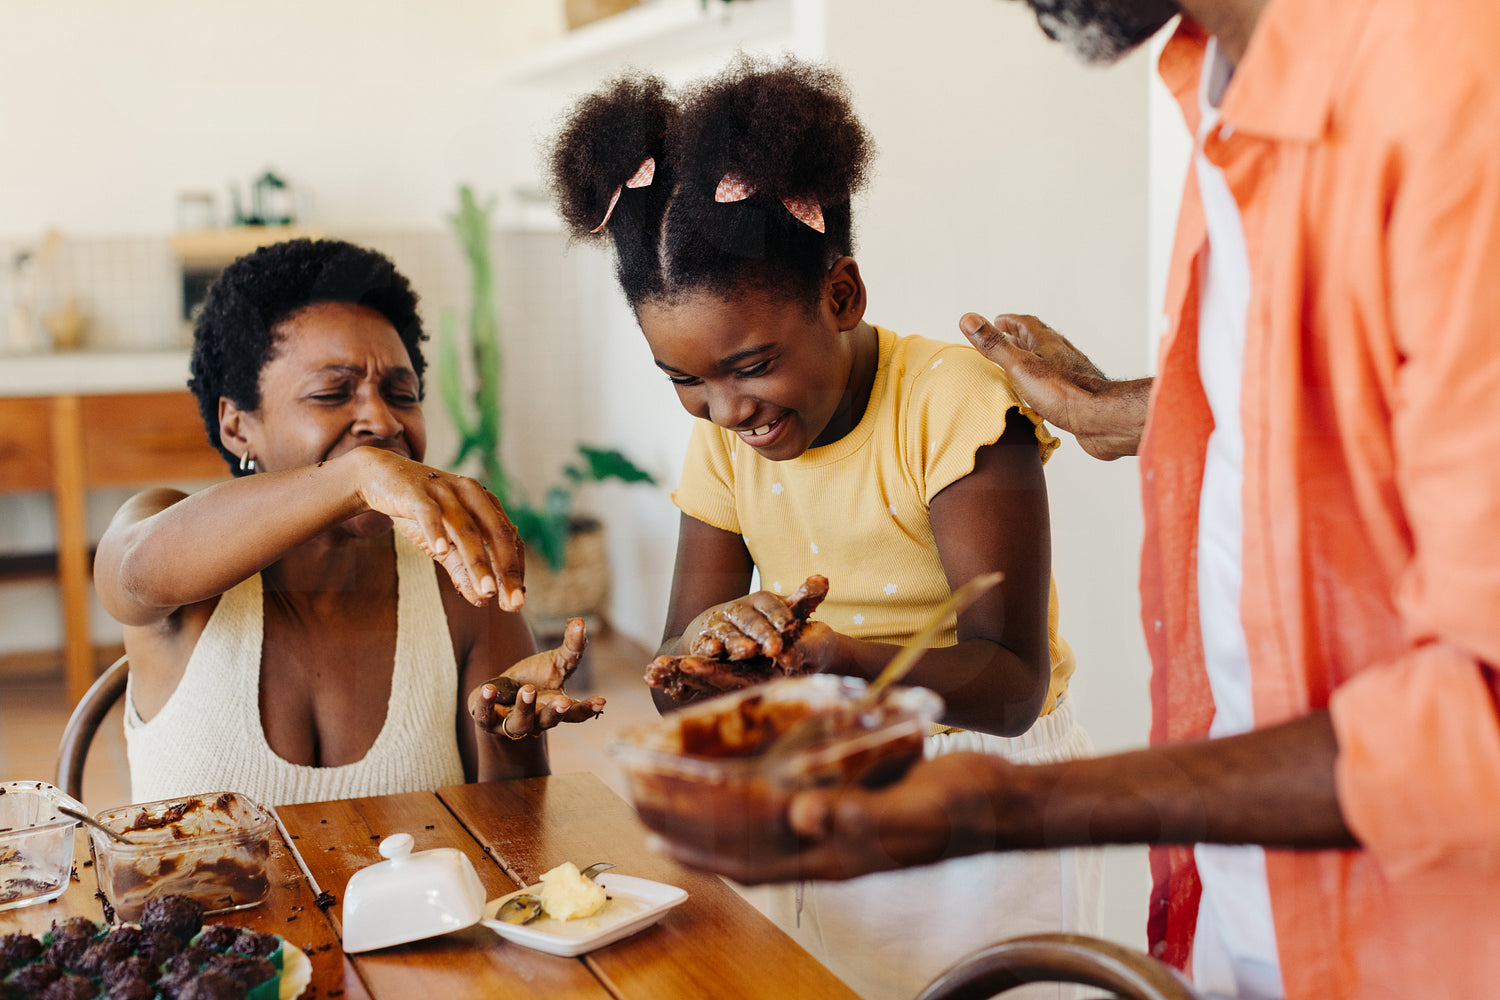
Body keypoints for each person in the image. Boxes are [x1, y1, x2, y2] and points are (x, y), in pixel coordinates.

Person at [642, 0, 1500, 998]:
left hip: (1416, 925)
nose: (727, 409)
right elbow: (1347, 406)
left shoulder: (1449, 90)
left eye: (749, 366)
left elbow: (1474, 719)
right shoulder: (1224, 87)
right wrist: (1129, 409)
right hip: (1252, 892)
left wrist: (1008, 807)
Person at [546, 56, 1100, 1000]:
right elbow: (679, 680)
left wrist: (835, 659)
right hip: (815, 791)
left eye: (750, 365)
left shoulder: (951, 405)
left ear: (840, 296)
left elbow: (1011, 687)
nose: (727, 410)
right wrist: (713, 651)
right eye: (685, 379)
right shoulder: (727, 441)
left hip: (982, 807)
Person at [94, 238, 606, 809]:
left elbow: (513, 836)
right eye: (332, 393)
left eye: (402, 394)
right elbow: (131, 572)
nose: (382, 421)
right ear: (237, 427)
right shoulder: (172, 554)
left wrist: (510, 740)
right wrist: (359, 475)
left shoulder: (457, 584)